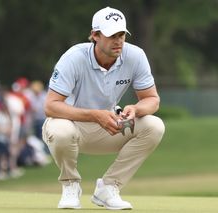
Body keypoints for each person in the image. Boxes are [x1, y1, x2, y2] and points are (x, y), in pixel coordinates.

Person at [42, 6, 165, 210]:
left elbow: (152, 99)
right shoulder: (73, 57)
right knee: (60, 130)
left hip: (109, 126)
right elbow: (51, 106)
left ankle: (108, 188)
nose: (118, 41)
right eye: (111, 35)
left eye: (121, 35)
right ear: (95, 36)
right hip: (72, 126)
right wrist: (94, 115)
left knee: (154, 126)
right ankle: (70, 185)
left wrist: (136, 109)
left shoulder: (135, 56)